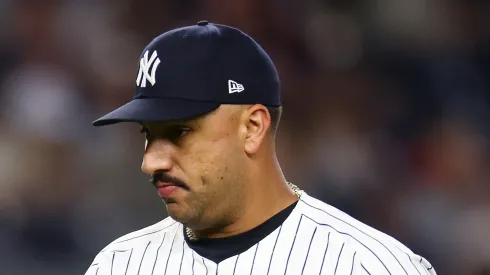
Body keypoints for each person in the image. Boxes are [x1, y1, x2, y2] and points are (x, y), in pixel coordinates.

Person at [85, 21, 436, 275]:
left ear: (252, 127)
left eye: (179, 132)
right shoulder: (120, 263)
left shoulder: (370, 265)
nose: (151, 161)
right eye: (148, 134)